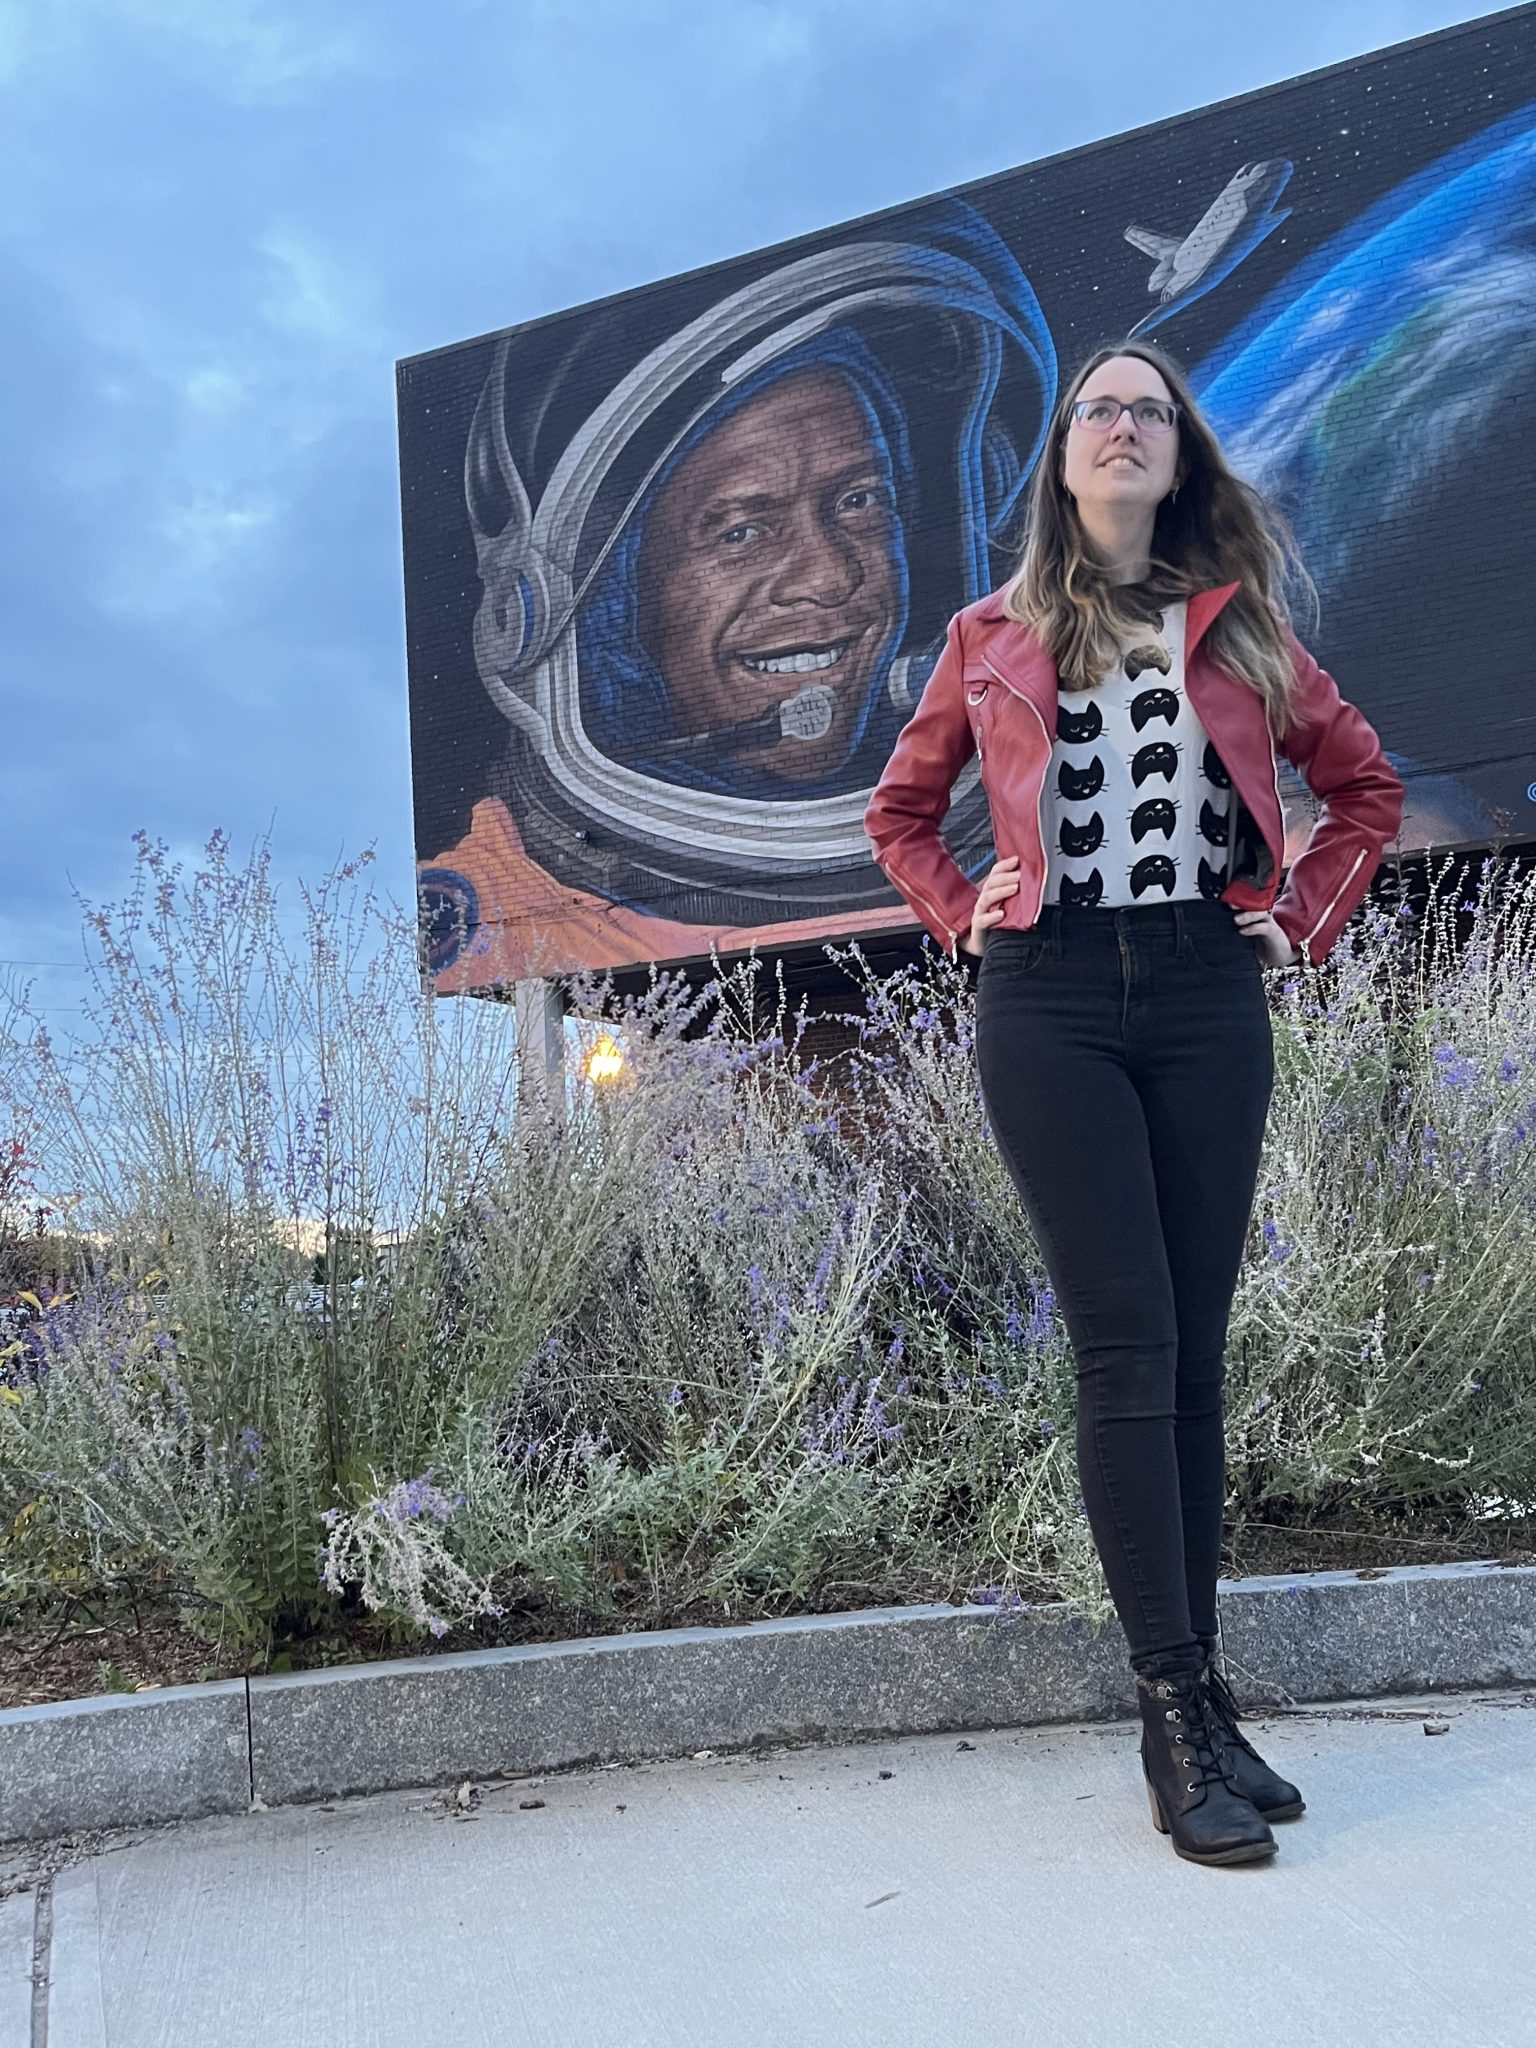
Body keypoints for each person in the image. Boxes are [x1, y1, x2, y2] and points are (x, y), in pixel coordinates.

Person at [863, 339, 1404, 1867]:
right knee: (1128, 1347)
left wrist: (1296, 914)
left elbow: (1360, 791)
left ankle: (1207, 1701)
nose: (1121, 427)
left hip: (1202, 993)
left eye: (1147, 413)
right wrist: (962, 903)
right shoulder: (989, 635)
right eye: (1097, 408)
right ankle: (1172, 1713)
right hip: (1048, 1000)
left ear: (1177, 458)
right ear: (1064, 457)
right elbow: (899, 812)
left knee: (1197, 1354)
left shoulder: (1241, 635)